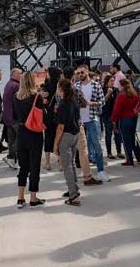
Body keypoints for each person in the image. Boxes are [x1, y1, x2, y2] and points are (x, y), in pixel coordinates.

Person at [13, 72, 47, 208]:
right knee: (34, 166)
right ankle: (33, 198)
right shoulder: (36, 96)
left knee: (23, 167)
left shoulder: (16, 97)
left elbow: (15, 115)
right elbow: (42, 116)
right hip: (34, 134)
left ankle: (20, 198)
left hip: (21, 132)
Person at [75, 65, 109, 182]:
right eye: (78, 73)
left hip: (92, 118)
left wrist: (91, 103)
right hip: (79, 120)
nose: (80, 75)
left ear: (87, 72)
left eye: (82, 72)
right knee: (81, 147)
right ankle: (85, 171)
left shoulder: (95, 85)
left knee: (96, 144)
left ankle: (100, 170)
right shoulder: (76, 86)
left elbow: (102, 101)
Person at [53, 78, 82, 206]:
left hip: (66, 135)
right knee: (71, 164)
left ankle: (73, 195)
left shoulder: (63, 104)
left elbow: (60, 127)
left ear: (61, 89)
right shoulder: (73, 101)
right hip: (75, 134)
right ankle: (74, 189)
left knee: (67, 166)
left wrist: (55, 144)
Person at [111, 78, 140, 167]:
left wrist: (113, 120)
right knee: (134, 140)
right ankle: (139, 158)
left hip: (124, 120)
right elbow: (139, 105)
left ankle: (129, 160)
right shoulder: (135, 95)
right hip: (134, 119)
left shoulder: (121, 96)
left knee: (126, 141)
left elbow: (116, 110)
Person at [42, 67, 62, 171]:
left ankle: (48, 162)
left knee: (48, 137)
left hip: (49, 115)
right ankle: (60, 162)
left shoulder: (47, 85)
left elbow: (44, 101)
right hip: (59, 114)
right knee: (59, 137)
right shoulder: (61, 85)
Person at [2, 68, 22, 170]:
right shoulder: (16, 86)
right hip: (14, 117)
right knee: (19, 139)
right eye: (19, 74)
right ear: (13, 74)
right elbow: (18, 101)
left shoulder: (8, 84)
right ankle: (10, 157)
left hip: (7, 116)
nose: (21, 75)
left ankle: (11, 159)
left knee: (11, 139)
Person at [101, 74, 123, 160]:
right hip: (107, 115)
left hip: (116, 115)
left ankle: (119, 151)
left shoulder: (116, 90)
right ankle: (109, 152)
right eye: (111, 81)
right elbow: (103, 102)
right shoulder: (103, 90)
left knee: (117, 133)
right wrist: (108, 94)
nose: (113, 82)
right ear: (107, 82)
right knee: (108, 134)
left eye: (113, 80)